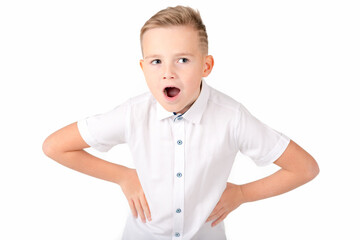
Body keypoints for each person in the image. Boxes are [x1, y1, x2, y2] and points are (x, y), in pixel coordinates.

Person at [42, 5, 319, 240]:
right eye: (156, 62)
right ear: (142, 68)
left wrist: (243, 193)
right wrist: (123, 176)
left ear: (206, 66)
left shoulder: (231, 117)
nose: (168, 73)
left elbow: (304, 168)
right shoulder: (133, 113)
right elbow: (55, 146)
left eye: (183, 60)